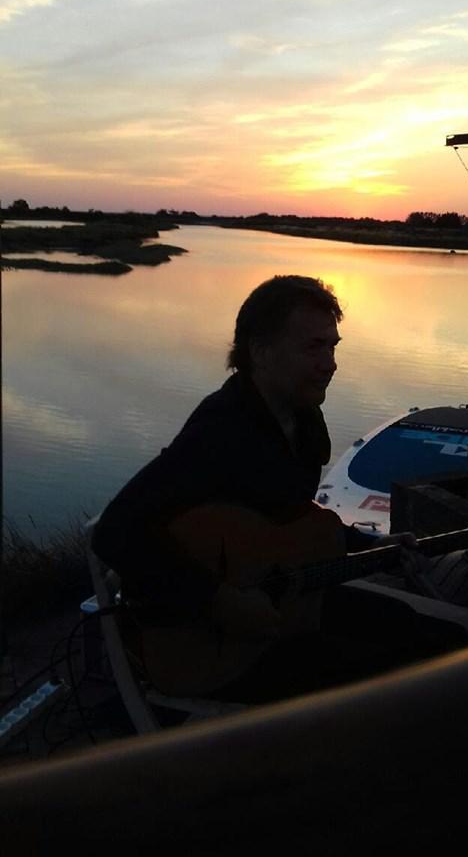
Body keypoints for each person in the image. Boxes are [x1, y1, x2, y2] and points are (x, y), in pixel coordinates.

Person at [92, 275, 413, 700]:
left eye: (333, 346)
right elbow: (115, 530)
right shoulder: (221, 429)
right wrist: (218, 600)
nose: (330, 362)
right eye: (313, 347)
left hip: (284, 604)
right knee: (383, 678)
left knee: (419, 633)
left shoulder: (305, 421)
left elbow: (291, 527)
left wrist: (374, 544)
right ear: (260, 352)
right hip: (207, 641)